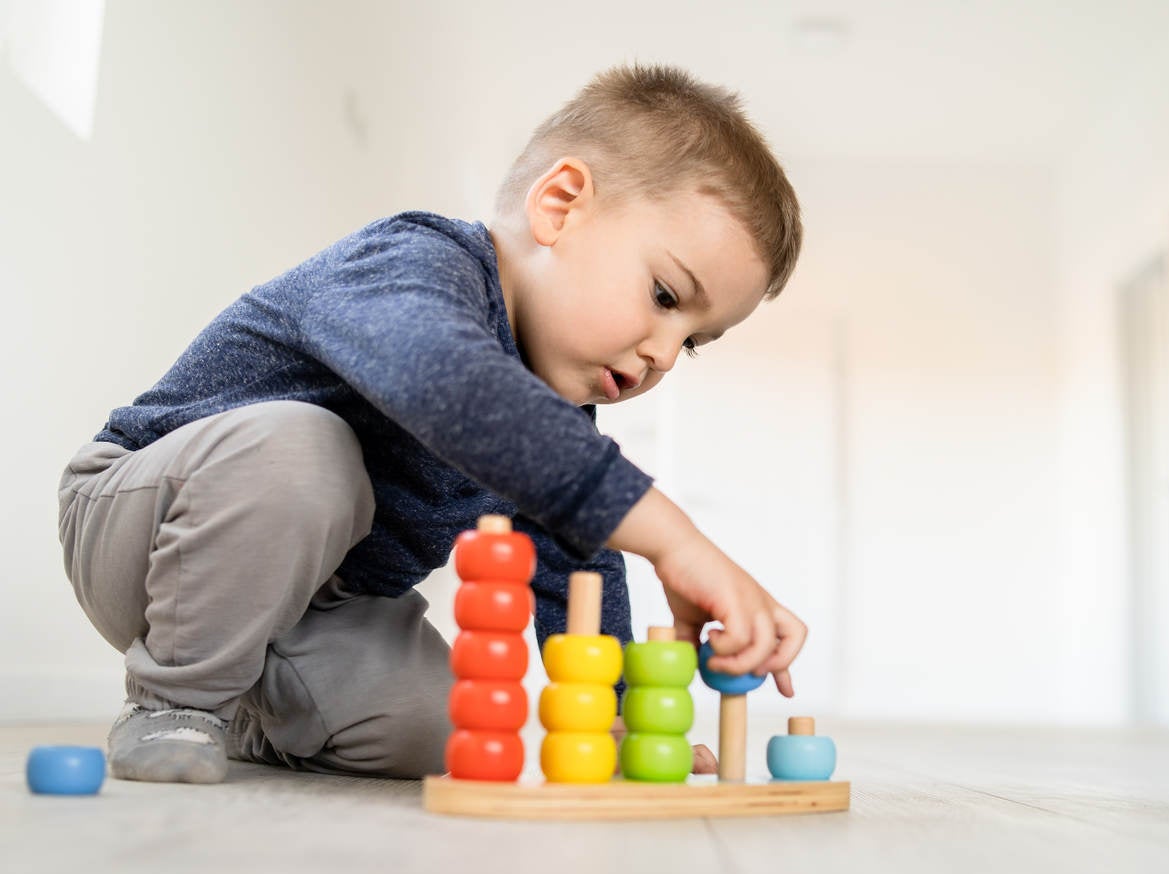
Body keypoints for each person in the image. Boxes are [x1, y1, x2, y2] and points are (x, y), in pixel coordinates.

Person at [57, 63, 807, 784]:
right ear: (561, 204)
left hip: (321, 608)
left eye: (694, 343)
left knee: (444, 727)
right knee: (304, 454)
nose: (664, 355)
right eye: (667, 297)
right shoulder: (415, 262)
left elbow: (577, 569)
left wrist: (612, 725)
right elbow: (445, 382)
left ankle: (251, 707)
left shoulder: (555, 421)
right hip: (147, 528)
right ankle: (176, 702)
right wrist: (675, 540)